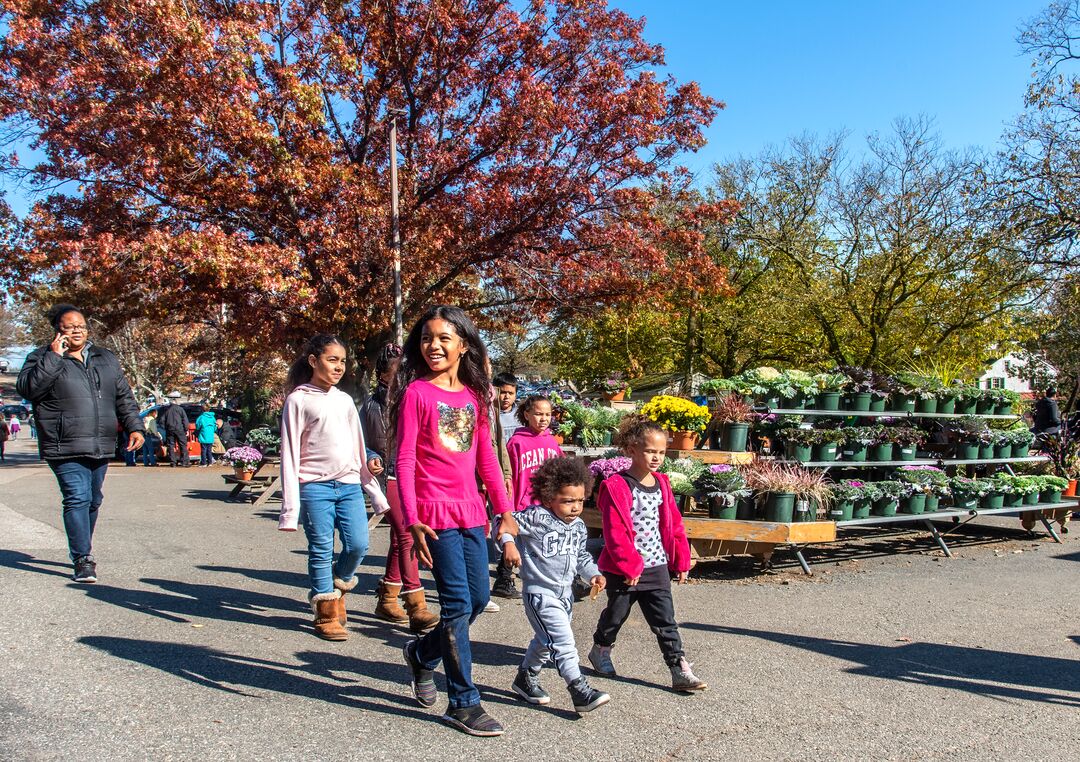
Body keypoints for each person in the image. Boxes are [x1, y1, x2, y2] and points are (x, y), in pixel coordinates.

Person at [394, 305, 518, 737]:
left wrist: (505, 512)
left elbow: (486, 458)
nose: (434, 346)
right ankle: (463, 702)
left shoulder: (475, 396)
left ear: (463, 344)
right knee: (457, 606)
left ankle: (421, 655)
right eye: (427, 338)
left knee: (479, 600)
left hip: (471, 514)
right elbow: (405, 459)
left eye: (444, 338)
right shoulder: (416, 393)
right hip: (433, 516)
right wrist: (411, 520)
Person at [16, 303, 144, 583]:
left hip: (100, 441)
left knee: (94, 499)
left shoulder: (105, 358)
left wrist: (135, 426)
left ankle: (82, 545)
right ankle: (83, 558)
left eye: (81, 326)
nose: (77, 331)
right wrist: (54, 357)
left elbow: (123, 396)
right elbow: (28, 389)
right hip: (63, 443)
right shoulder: (40, 357)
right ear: (57, 331)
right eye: (69, 326)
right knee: (77, 497)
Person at [278, 334, 390, 641]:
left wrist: (371, 467)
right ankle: (325, 611)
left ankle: (337, 586)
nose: (339, 367)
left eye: (342, 361)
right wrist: (290, 508)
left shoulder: (344, 401)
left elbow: (358, 446)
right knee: (321, 549)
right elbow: (288, 453)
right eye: (332, 360)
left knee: (358, 544)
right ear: (314, 362)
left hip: (350, 484)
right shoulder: (298, 400)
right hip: (315, 487)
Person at [587, 414, 707, 693]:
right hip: (624, 569)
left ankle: (680, 669)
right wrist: (630, 567)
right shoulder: (617, 486)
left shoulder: (663, 483)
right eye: (650, 451)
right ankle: (601, 649)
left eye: (661, 452)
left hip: (656, 565)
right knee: (615, 616)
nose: (656, 457)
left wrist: (680, 560)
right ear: (631, 450)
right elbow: (615, 532)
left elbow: (674, 524)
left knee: (665, 620)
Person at [499, 456, 609, 714]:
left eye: (580, 501)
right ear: (549, 498)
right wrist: (509, 543)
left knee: (545, 640)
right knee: (563, 641)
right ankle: (578, 689)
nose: (575, 507)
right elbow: (503, 522)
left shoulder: (579, 527)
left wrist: (593, 573)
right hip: (540, 594)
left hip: (565, 595)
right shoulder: (536, 517)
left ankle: (525, 677)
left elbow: (582, 556)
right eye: (568, 501)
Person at [360, 343, 439, 632]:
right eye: (396, 371)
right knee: (407, 533)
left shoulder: (412, 398)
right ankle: (416, 605)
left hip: (411, 475)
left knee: (398, 538)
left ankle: (387, 598)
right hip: (385, 479)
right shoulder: (370, 406)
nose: (403, 376)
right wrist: (372, 459)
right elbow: (363, 445)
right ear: (382, 374)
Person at [492, 394, 563, 599]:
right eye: (538, 414)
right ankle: (504, 580)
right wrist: (508, 505)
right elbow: (509, 474)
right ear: (526, 414)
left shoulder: (551, 442)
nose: (544, 418)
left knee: (546, 543)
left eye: (548, 414)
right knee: (513, 543)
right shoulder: (517, 442)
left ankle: (556, 579)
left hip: (546, 504)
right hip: (522, 503)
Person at [160, 391, 190, 467]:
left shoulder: (166, 410)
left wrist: (166, 428)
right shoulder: (180, 409)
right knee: (183, 445)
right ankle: (184, 461)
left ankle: (173, 462)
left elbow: (162, 421)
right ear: (176, 400)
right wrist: (186, 429)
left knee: (171, 445)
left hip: (170, 430)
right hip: (180, 429)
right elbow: (185, 420)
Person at [494, 372, 521, 442]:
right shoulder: (489, 415)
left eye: (511, 393)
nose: (507, 397)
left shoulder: (522, 414)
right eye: (503, 392)